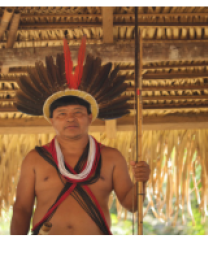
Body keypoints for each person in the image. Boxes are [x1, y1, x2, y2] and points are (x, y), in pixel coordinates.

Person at [11, 37, 150, 235]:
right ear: (52, 121)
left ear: (90, 117)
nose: (70, 118)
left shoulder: (111, 157)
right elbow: (22, 209)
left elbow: (132, 205)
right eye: (62, 114)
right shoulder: (35, 159)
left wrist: (141, 182)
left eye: (78, 112)